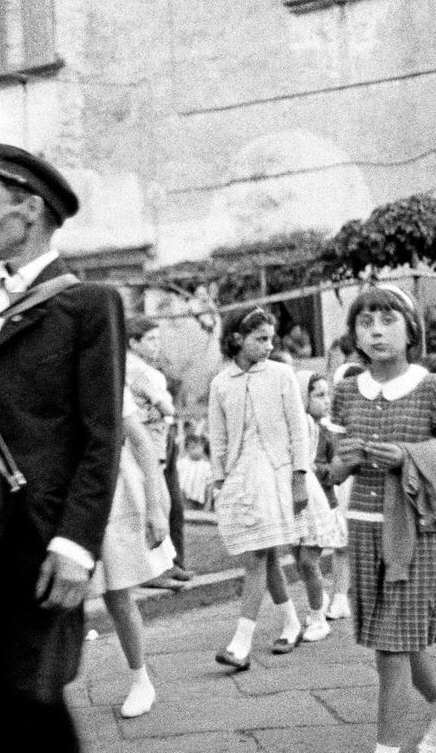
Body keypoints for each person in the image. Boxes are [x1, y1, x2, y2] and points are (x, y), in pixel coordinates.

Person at [0, 143, 125, 752]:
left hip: (46, 543)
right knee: (3, 697)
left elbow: (103, 437)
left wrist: (78, 545)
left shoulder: (87, 305)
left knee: (35, 693)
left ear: (29, 212)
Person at [325, 284, 436, 753]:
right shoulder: (347, 391)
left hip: (417, 534)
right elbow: (329, 472)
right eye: (366, 323)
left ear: (412, 330)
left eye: (388, 321)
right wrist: (344, 463)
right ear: (354, 333)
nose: (376, 332)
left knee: (392, 649)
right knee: (391, 641)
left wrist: (409, 458)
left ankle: (387, 748)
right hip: (365, 530)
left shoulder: (435, 387)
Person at [209, 308, 336, 672]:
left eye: (270, 338)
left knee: (258, 557)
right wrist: (221, 484)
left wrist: (298, 478)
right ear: (236, 339)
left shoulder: (282, 376)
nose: (268, 346)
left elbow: (298, 430)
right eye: (259, 339)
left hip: (279, 475)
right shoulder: (221, 383)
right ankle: (291, 622)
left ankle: (240, 643)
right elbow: (218, 439)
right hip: (241, 479)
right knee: (260, 555)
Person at [90, 388, 175, 718]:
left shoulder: (107, 375)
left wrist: (155, 505)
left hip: (112, 489)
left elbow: (140, 442)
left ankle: (141, 680)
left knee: (116, 592)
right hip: (59, 491)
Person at [125, 315, 193, 586]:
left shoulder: (143, 368)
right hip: (146, 443)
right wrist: (165, 407)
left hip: (159, 441)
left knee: (169, 504)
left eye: (157, 339)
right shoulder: (136, 369)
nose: (156, 345)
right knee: (158, 504)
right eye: (150, 340)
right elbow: (167, 407)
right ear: (133, 343)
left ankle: (168, 564)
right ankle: (152, 571)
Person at [304, 371, 354, 621]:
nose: (326, 401)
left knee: (339, 547)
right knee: (306, 554)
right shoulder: (304, 428)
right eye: (319, 395)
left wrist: (318, 470)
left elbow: (336, 467)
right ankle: (322, 598)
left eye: (327, 395)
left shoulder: (327, 431)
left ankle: (339, 598)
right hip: (308, 500)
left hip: (328, 498)